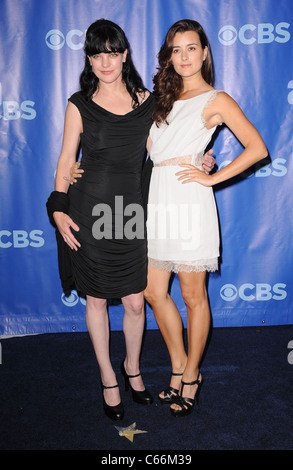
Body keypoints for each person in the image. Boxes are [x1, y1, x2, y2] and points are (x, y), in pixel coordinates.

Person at [47, 17, 215, 421]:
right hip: (89, 213)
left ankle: (132, 369)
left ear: (124, 55)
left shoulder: (147, 101)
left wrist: (200, 160)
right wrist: (57, 207)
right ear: (89, 59)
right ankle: (108, 376)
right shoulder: (79, 103)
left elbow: (167, 146)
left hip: (132, 213)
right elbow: (67, 159)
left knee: (136, 301)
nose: (105, 62)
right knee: (97, 301)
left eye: (112, 52)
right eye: (96, 54)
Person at [142, 19, 267, 417]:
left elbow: (257, 148)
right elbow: (146, 147)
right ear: (168, 55)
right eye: (176, 50)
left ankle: (191, 374)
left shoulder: (217, 98)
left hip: (190, 201)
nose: (183, 57)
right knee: (152, 291)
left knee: (194, 297)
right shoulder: (161, 99)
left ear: (205, 52)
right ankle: (178, 365)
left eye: (191, 48)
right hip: (158, 200)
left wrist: (210, 175)